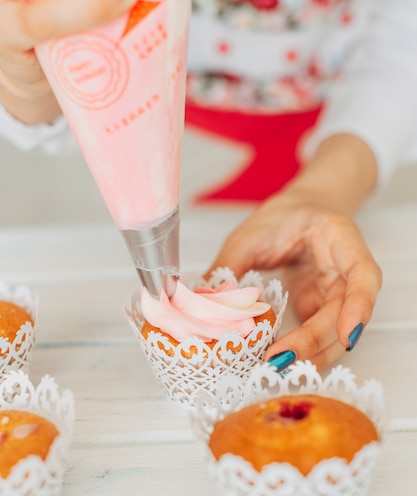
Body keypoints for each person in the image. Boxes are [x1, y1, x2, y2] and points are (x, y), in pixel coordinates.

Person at [0, 0, 415, 374]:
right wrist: (25, 79)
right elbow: (72, 79)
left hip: (338, 133)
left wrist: (324, 191)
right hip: (161, 139)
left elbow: (403, 41)